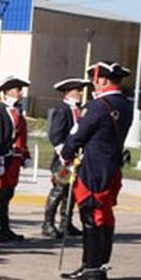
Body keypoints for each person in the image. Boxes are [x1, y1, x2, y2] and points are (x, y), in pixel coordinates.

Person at [58, 62, 133, 280]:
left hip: (94, 167)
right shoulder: (125, 105)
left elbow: (78, 135)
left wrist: (67, 155)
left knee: (91, 214)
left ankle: (90, 266)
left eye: (94, 79)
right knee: (105, 215)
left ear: (102, 80)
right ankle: (100, 264)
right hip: (112, 166)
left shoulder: (98, 106)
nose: (93, 84)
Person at [0, 76, 31, 243]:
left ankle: (4, 228)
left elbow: (22, 136)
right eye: (17, 90)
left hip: (14, 159)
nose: (20, 93)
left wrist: (26, 155)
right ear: (6, 92)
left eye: (20, 90)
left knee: (6, 195)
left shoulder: (17, 112)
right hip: (2, 159)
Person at [41, 78, 90, 239]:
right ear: (68, 92)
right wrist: (64, 154)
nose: (81, 93)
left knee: (72, 192)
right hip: (63, 161)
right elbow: (55, 134)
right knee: (59, 189)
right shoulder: (62, 110)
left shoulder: (80, 110)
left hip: (76, 159)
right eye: (78, 90)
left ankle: (66, 223)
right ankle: (48, 224)